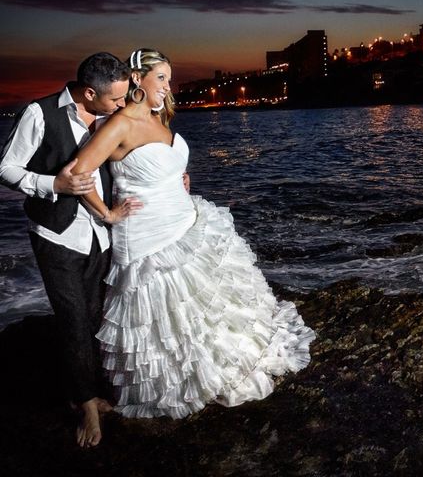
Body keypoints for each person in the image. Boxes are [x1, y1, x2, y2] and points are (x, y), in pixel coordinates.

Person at [72, 48, 315, 419]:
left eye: (170, 78)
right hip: (146, 233)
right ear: (137, 79)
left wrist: (177, 176)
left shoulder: (159, 118)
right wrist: (107, 213)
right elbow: (79, 173)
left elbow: (158, 164)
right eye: (162, 78)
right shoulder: (118, 125)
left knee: (207, 303)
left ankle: (218, 362)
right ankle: (176, 384)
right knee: (163, 314)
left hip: (184, 219)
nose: (169, 86)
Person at [0, 53, 139, 447]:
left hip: (101, 232)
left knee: (96, 313)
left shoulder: (113, 114)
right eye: (115, 100)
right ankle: (86, 405)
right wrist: (52, 185)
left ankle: (88, 389)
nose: (121, 106)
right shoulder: (39, 113)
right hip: (55, 233)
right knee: (74, 317)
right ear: (89, 92)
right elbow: (5, 168)